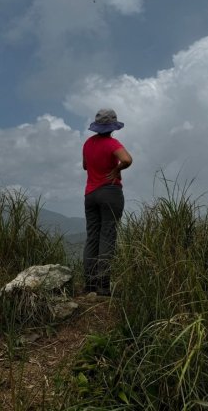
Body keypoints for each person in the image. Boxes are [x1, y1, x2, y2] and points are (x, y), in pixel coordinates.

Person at [82, 108, 132, 296]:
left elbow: (85, 165)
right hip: (110, 192)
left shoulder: (87, 144)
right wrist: (118, 169)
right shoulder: (112, 143)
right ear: (113, 126)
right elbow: (127, 159)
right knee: (108, 237)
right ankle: (103, 287)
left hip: (90, 194)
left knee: (92, 237)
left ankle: (89, 284)